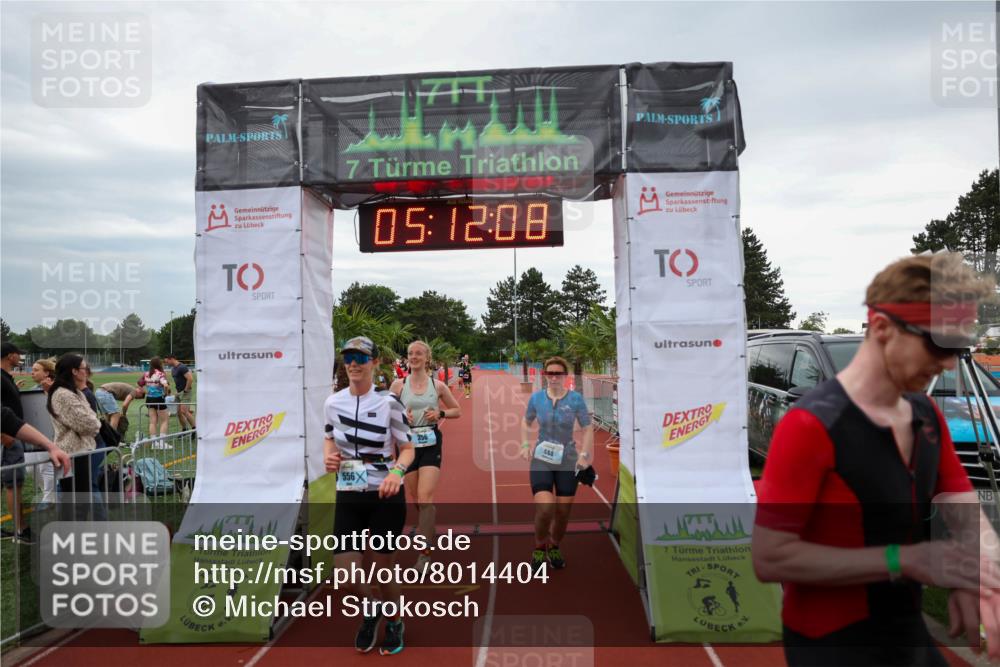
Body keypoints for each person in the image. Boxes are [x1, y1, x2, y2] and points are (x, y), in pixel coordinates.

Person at [752, 252, 1000, 665]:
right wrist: (905, 560)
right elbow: (769, 556)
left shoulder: (925, 414)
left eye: (959, 346)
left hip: (906, 633)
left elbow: (960, 504)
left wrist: (983, 575)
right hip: (832, 646)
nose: (949, 362)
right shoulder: (810, 425)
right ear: (883, 327)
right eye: (938, 343)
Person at [324, 336, 415, 656]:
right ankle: (372, 607)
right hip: (349, 492)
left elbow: (407, 449)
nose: (353, 363)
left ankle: (395, 621)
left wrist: (396, 473)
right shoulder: (333, 403)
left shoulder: (389, 402)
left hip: (385, 494)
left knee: (383, 569)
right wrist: (330, 457)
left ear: (375, 364)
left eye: (361, 358)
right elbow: (329, 440)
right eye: (348, 357)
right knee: (345, 576)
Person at [389, 340, 461, 571]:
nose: (413, 357)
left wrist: (440, 413)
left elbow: (456, 410)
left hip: (431, 443)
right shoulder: (397, 386)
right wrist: (401, 419)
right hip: (407, 446)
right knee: (418, 500)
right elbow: (386, 416)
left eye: (418, 353)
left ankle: (424, 554)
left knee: (424, 497)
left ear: (427, 357)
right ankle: (428, 522)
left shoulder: (437, 386)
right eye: (410, 353)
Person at [520, 355, 594, 571]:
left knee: (563, 512)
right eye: (550, 373)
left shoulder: (576, 400)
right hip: (542, 458)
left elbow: (587, 428)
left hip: (568, 459)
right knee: (545, 508)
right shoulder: (536, 399)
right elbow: (526, 422)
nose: (553, 377)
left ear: (565, 376)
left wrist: (584, 455)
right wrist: (525, 445)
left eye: (558, 373)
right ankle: (539, 546)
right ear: (544, 375)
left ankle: (554, 545)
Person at [47, 354, 100, 513]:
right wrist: (95, 422)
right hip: (71, 454)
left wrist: (94, 421)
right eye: (85, 368)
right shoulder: (63, 395)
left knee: (81, 504)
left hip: (80, 452)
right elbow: (89, 424)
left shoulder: (76, 392)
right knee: (76, 506)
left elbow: (91, 418)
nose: (87, 372)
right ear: (74, 371)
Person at [0, 341, 28, 542]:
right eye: (18, 354)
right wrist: (5, 437)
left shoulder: (5, 377)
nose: (20, 358)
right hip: (8, 438)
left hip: (9, 437)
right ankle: (21, 530)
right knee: (13, 484)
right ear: (10, 356)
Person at [25, 357, 57, 508]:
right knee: (31, 467)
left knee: (47, 467)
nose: (32, 373)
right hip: (34, 436)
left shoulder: (56, 388)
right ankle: (48, 494)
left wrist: (49, 391)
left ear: (47, 373)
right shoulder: (33, 390)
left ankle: (48, 498)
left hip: (50, 436)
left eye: (36, 370)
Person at [143, 357, 171, 446]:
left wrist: (147, 391)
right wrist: (165, 394)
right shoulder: (160, 374)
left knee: (152, 421)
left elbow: (141, 384)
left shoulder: (146, 373)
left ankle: (154, 443)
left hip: (149, 398)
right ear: (159, 364)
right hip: (159, 398)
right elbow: (166, 385)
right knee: (165, 420)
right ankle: (162, 443)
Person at [164, 355, 196, 432]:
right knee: (179, 413)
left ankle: (195, 429)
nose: (166, 363)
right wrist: (177, 392)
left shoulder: (182, 367)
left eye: (167, 361)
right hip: (179, 393)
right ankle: (184, 430)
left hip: (185, 392)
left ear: (171, 359)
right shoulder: (173, 369)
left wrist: (185, 390)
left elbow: (190, 379)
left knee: (184, 411)